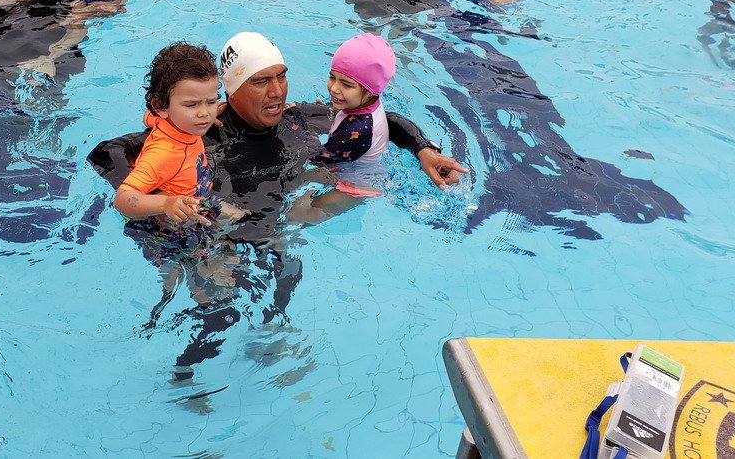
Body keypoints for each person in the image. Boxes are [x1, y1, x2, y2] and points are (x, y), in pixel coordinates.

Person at [90, 32, 467, 380]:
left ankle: (266, 338)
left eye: (281, 77)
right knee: (223, 310)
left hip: (274, 230)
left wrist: (424, 150)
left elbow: (380, 118)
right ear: (230, 91)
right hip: (219, 240)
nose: (277, 91)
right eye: (260, 81)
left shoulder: (296, 120)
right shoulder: (199, 132)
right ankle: (183, 378)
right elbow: (107, 153)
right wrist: (165, 204)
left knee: (287, 271)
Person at [113, 43, 223, 229]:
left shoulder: (170, 120)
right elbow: (122, 199)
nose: (204, 113)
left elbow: (149, 117)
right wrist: (166, 203)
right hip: (174, 221)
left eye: (211, 102)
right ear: (161, 107)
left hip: (198, 196)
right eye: (191, 105)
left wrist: (213, 111)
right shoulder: (164, 153)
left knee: (241, 216)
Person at [291, 34, 397, 223]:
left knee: (302, 215)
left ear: (371, 90)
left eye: (346, 85)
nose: (334, 88)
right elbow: (334, 112)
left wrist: (301, 131)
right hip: (353, 165)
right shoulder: (361, 104)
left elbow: (319, 160)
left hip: (357, 186)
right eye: (332, 77)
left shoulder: (358, 129)